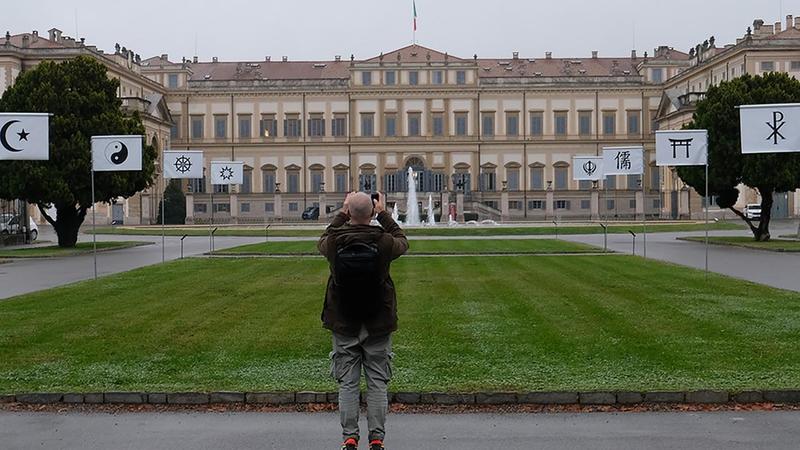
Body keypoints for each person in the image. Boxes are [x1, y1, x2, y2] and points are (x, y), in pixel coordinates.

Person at [318, 191, 408, 450]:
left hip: (344, 320)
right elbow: (403, 239)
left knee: (348, 382)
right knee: (377, 382)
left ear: (348, 212)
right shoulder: (384, 241)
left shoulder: (334, 242)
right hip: (377, 319)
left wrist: (343, 213)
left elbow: (322, 238)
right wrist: (382, 214)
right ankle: (377, 438)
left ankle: (349, 437)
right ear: (371, 213)